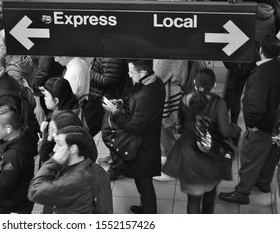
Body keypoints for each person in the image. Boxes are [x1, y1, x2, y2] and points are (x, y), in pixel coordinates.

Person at [163, 68, 241, 213]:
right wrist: (235, 129)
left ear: (194, 83)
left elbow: (180, 124)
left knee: (193, 199)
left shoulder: (185, 98)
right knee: (210, 195)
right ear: (214, 85)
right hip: (212, 155)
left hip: (188, 152)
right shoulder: (219, 103)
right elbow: (225, 131)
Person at [219, 34, 280, 204]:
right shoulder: (277, 66)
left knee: (249, 156)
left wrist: (251, 124)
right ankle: (263, 183)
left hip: (262, 126)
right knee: (270, 155)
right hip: (275, 125)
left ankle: (242, 193)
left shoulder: (261, 74)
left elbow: (255, 104)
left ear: (261, 50)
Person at [102, 59, 165, 214]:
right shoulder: (151, 82)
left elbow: (134, 127)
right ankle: (146, 208)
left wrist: (115, 112)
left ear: (143, 72)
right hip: (145, 142)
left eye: (131, 72)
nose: (129, 75)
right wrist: (121, 102)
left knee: (144, 183)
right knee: (142, 181)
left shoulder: (148, 94)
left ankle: (150, 213)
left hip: (143, 146)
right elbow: (134, 100)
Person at [29, 125, 112, 213]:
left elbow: (35, 192)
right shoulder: (96, 169)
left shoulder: (76, 179)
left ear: (73, 149)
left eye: (59, 144)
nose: (54, 149)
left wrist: (53, 161)